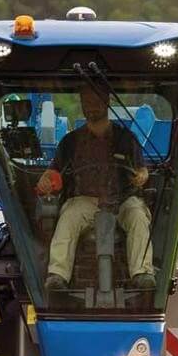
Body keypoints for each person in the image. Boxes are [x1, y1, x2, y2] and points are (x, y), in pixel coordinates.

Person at [35, 85, 155, 291]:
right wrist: (45, 180)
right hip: (85, 200)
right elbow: (52, 171)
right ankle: (57, 275)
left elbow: (142, 169)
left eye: (96, 101)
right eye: (86, 102)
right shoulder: (70, 142)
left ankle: (142, 273)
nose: (91, 106)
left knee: (137, 215)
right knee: (69, 216)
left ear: (107, 102)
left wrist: (142, 176)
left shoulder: (126, 138)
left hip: (123, 199)